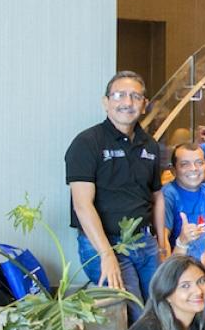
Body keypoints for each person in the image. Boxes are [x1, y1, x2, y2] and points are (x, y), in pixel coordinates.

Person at [67, 72, 164, 313]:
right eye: (119, 95)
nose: (127, 102)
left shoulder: (150, 145)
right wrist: (106, 254)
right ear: (106, 102)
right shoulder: (87, 142)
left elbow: (157, 196)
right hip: (106, 243)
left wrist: (162, 244)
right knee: (136, 313)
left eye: (135, 96)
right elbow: (82, 205)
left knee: (162, 308)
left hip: (145, 242)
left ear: (144, 105)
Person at [162, 144, 205, 255]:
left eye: (199, 163)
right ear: (173, 170)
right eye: (185, 164)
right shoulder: (167, 195)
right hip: (183, 262)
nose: (193, 169)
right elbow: (162, 242)